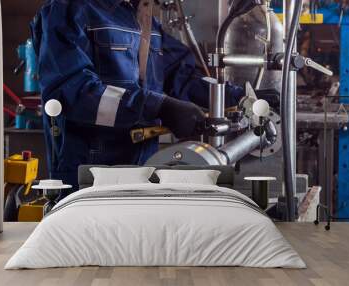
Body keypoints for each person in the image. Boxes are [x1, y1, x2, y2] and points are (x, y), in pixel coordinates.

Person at [31, 0, 244, 191]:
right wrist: (159, 107)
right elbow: (72, 91)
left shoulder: (141, 18)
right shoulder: (67, 10)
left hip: (143, 168)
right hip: (88, 174)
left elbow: (183, 77)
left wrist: (241, 97)